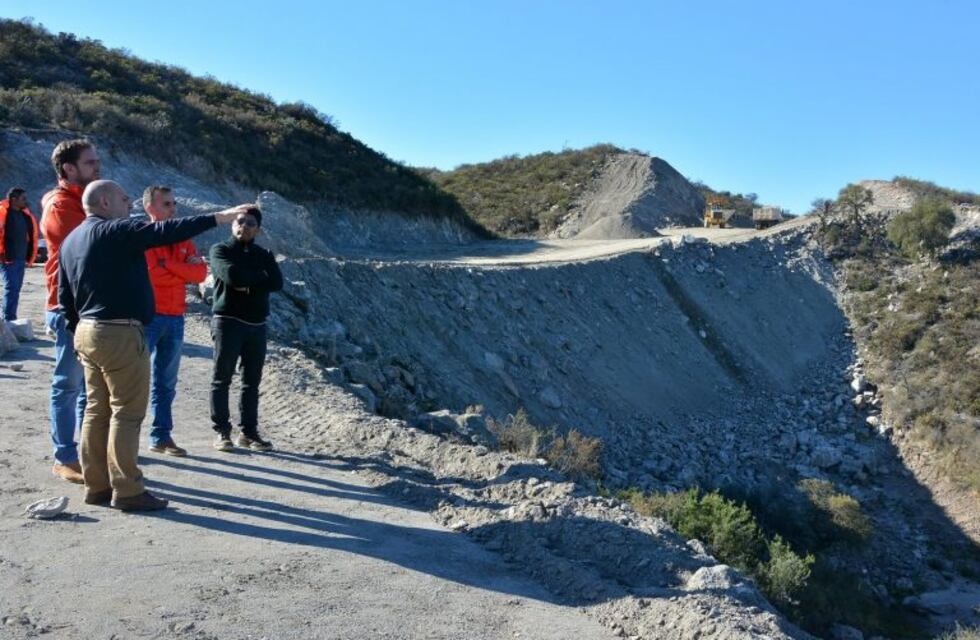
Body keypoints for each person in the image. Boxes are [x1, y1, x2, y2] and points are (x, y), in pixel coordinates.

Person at [58, 180, 246, 511]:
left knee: (96, 410)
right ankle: (128, 490)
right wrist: (219, 217)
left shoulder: (72, 240)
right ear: (104, 202)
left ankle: (97, 486)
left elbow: (65, 296)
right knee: (126, 413)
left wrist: (77, 332)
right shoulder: (114, 231)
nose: (128, 202)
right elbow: (165, 232)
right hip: (118, 332)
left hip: (87, 331)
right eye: (122, 197)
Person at [41, 139, 100, 484]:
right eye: (91, 162)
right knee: (67, 385)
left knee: (88, 386)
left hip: (88, 306)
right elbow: (87, 250)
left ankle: (86, 452)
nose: (97, 167)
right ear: (69, 169)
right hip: (67, 307)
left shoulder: (79, 203)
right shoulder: (62, 206)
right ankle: (64, 456)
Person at [209, 206, 282, 452]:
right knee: (222, 379)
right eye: (240, 221)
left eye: (250, 223)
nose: (244, 226)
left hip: (257, 325)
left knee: (252, 382)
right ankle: (222, 432)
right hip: (227, 322)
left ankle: (248, 433)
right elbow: (231, 276)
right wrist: (257, 279)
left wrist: (248, 282)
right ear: (233, 225)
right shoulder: (220, 250)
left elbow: (277, 282)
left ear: (258, 230)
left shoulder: (264, 254)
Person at [143, 186, 207, 456]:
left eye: (173, 204)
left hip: (175, 317)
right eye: (167, 204)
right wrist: (183, 269)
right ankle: (122, 440)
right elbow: (150, 275)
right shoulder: (143, 238)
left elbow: (201, 274)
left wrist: (167, 266)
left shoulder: (183, 239)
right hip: (148, 317)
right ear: (150, 208)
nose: (173, 209)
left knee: (166, 383)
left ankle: (161, 436)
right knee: (132, 381)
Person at [0, 188, 39, 321]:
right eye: (23, 198)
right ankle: (8, 319)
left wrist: (30, 257)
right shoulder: (3, 213)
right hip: (6, 258)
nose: (26, 201)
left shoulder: (25, 215)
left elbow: (31, 237)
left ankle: (9, 318)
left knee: (15, 289)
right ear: (13, 199)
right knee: (11, 288)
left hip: (20, 258)